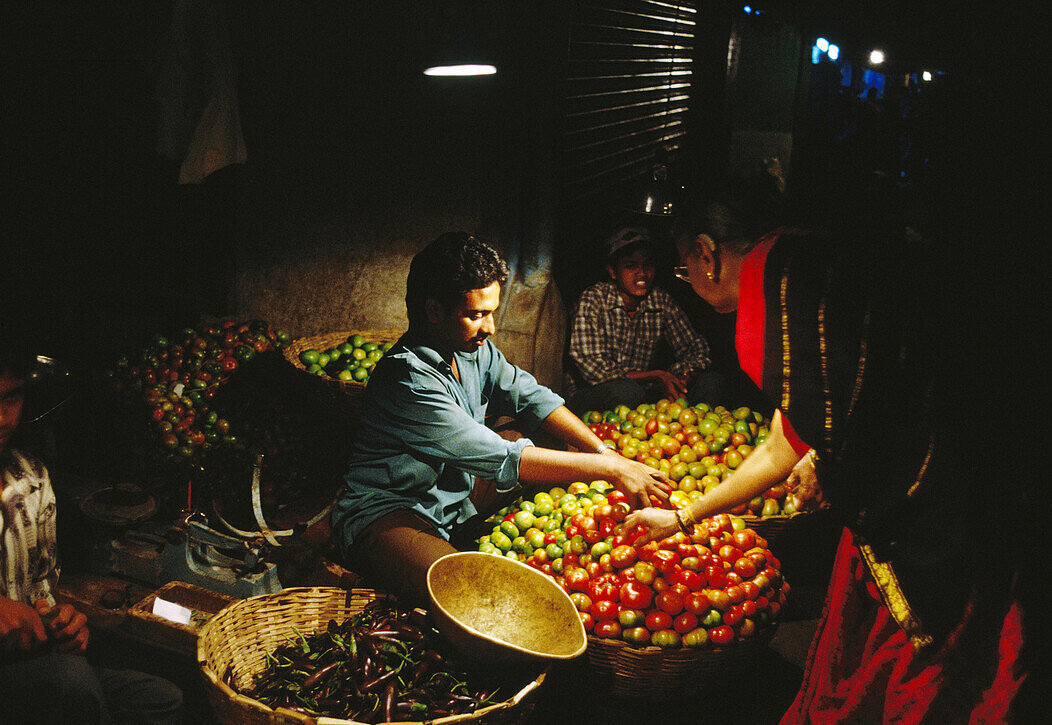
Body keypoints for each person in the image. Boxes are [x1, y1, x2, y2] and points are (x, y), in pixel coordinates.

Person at [617, 178, 1028, 722]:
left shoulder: (772, 296)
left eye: (682, 268)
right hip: (997, 442)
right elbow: (804, 421)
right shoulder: (805, 251)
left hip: (933, 498)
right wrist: (687, 514)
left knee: (931, 669)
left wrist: (822, 458)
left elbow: (804, 434)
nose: (687, 281)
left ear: (706, 253)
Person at [331, 232, 673, 606]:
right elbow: (499, 456)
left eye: (491, 312)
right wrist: (611, 470)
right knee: (468, 592)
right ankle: (344, 541)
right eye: (475, 315)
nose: (490, 327)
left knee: (553, 439)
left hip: (453, 495)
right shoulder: (406, 378)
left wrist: (604, 452)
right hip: (393, 511)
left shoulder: (471, 350)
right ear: (433, 311)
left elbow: (533, 398)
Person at [0, 318, 185, 725]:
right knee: (70, 682)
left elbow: (43, 588)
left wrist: (64, 622)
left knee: (160, 699)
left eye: (12, 397)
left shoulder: (32, 479)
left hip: (27, 668)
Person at [565, 226, 725, 415]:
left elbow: (697, 350)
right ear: (613, 271)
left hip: (641, 394)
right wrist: (657, 375)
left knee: (711, 381)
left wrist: (681, 377)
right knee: (626, 391)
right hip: (593, 394)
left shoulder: (660, 300)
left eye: (647, 265)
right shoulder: (594, 299)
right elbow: (592, 368)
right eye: (631, 265)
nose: (642, 273)